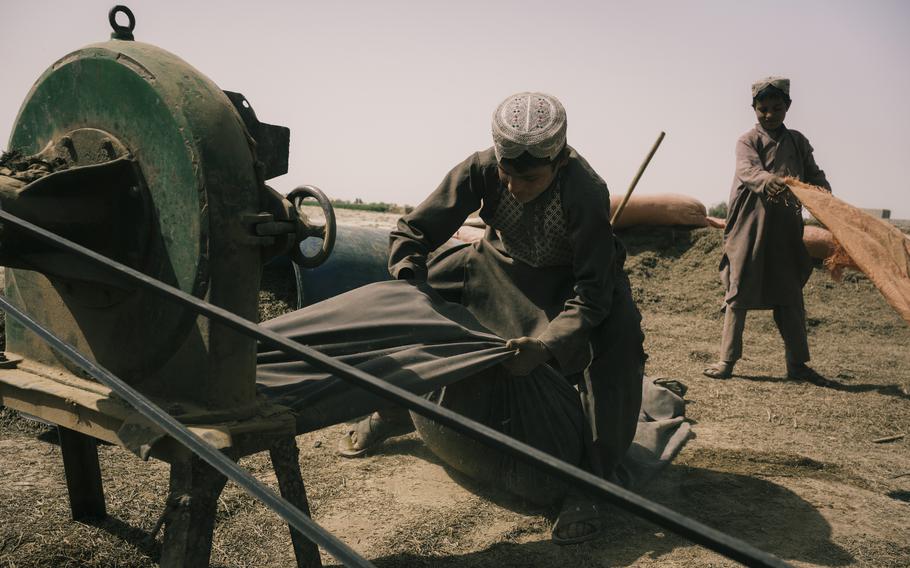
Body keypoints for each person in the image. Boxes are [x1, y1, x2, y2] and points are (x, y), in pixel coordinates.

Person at [336, 92, 646, 545]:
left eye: (530, 177)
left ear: (557, 164)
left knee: (616, 347)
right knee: (406, 305)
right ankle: (395, 408)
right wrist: (410, 280)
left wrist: (545, 346)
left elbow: (593, 293)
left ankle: (588, 485)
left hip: (576, 284)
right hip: (499, 263)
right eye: (507, 173)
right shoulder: (480, 168)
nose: (515, 186)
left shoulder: (584, 190)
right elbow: (413, 232)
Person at [704, 77, 832, 385]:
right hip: (750, 223)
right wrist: (767, 179)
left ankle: (798, 365)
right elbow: (748, 171)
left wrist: (824, 194)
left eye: (777, 108)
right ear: (754, 108)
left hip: (786, 228)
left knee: (789, 294)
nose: (770, 115)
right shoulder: (747, 140)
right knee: (739, 289)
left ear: (787, 107)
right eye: (763, 109)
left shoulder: (798, 142)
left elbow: (814, 174)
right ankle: (727, 360)